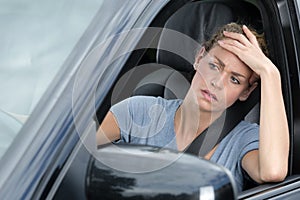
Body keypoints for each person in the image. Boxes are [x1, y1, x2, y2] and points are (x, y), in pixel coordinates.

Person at [96, 22, 289, 192]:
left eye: (234, 79)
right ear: (199, 58)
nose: (217, 83)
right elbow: (73, 153)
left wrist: (270, 73)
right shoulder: (139, 111)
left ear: (246, 92)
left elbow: (273, 172)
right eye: (215, 66)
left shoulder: (244, 139)